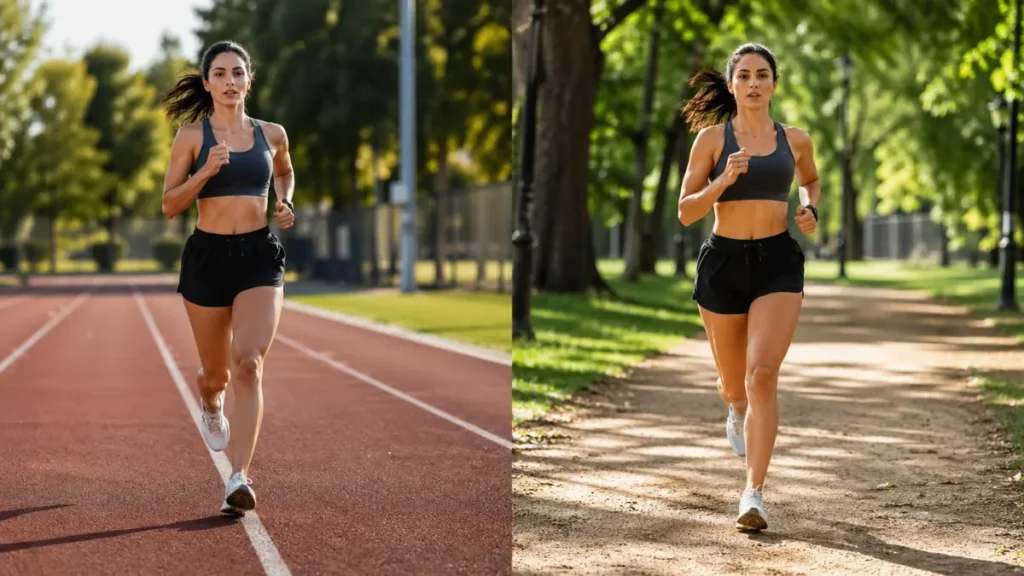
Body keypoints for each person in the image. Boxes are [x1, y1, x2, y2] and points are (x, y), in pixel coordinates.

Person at [677, 42, 820, 532]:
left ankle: (753, 493)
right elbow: (686, 210)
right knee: (735, 384)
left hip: (777, 261)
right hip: (724, 263)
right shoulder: (711, 141)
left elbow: (812, 181)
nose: (754, 83)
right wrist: (722, 181)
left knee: (762, 376)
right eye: (744, 76)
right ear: (732, 83)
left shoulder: (795, 139)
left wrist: (810, 208)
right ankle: (735, 408)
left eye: (762, 74)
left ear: (774, 83)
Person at [159, 40, 296, 516]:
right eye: (220, 73)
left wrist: (286, 201)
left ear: (249, 80)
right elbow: (170, 204)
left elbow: (285, 171)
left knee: (249, 364)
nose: (230, 81)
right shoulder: (191, 137)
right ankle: (210, 401)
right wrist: (205, 173)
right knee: (216, 374)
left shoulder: (272, 133)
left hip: (259, 256)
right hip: (207, 259)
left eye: (238, 73)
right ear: (206, 82)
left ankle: (238, 477)